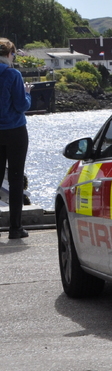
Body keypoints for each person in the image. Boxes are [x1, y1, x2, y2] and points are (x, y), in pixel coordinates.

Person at [0, 38, 31, 241]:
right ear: (9, 54)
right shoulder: (13, 74)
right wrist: (27, 94)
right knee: (16, 179)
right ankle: (15, 228)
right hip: (15, 131)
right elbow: (21, 105)